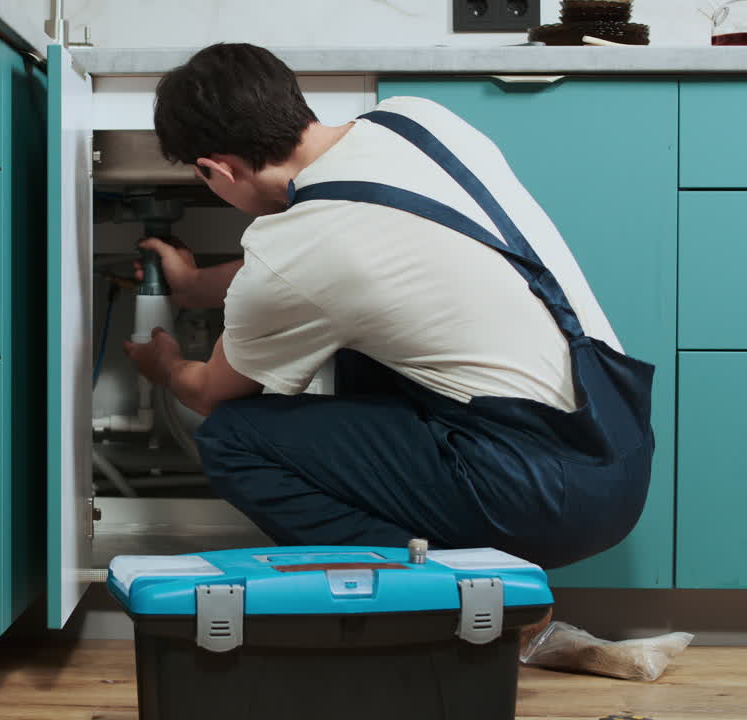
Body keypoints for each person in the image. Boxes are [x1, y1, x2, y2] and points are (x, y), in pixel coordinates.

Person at [123, 43, 654, 569]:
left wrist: (164, 368)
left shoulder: (296, 249)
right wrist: (195, 286)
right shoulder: (415, 119)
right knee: (357, 341)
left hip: (539, 494)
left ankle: (455, 590)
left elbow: (212, 393)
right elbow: (345, 263)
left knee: (231, 438)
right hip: (617, 445)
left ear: (217, 169)